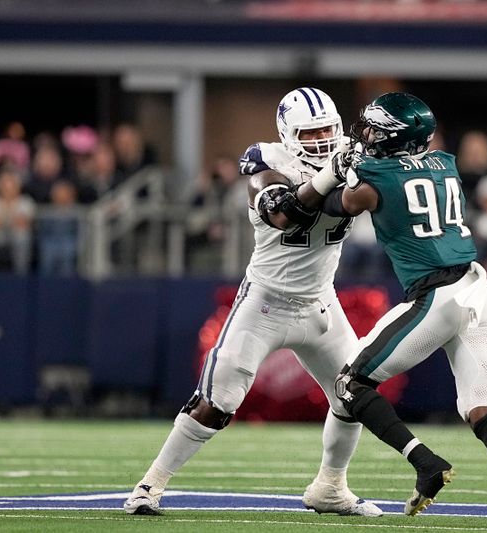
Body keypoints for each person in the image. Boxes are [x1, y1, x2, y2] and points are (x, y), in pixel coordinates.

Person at [285, 92, 487, 529]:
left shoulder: (374, 177)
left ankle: (425, 463)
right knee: (482, 411)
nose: (365, 134)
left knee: (350, 385)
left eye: (374, 129)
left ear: (392, 138)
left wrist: (334, 175)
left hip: (436, 297)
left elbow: (333, 206)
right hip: (479, 289)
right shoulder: (444, 161)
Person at [123, 87, 381, 518]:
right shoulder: (268, 161)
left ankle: (331, 488)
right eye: (309, 132)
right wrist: (331, 174)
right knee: (216, 402)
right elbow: (282, 211)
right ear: (287, 133)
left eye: (326, 130)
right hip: (264, 303)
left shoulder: (353, 156)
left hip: (320, 304)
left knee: (352, 395)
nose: (320, 141)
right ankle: (149, 486)